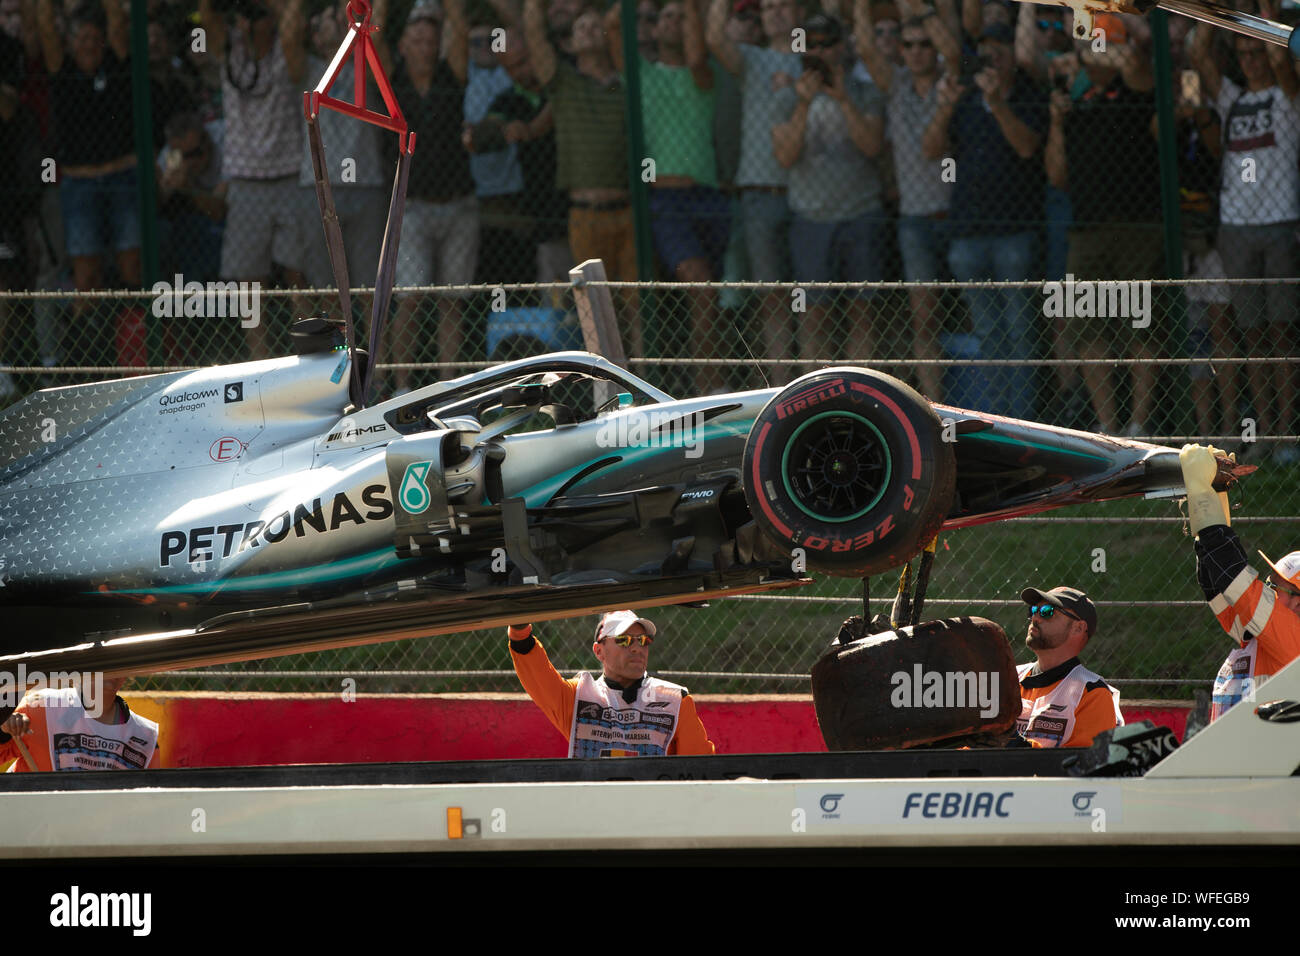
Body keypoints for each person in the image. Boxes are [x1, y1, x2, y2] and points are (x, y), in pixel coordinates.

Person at [1189, 7, 1298, 465]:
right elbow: (1197, 54)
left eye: (1259, 51)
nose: (1252, 59)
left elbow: (1282, 63)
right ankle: (1267, 432)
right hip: (1235, 227)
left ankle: (1290, 434)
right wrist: (1208, 12)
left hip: (1280, 223)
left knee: (1285, 333)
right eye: (1244, 51)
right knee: (1252, 334)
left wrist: (1267, 19)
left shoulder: (1287, 96)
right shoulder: (1230, 97)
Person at [923, 21, 1045, 421]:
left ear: (1014, 56)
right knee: (989, 336)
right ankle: (996, 423)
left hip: (1015, 232)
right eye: (986, 51)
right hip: (969, 234)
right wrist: (944, 107)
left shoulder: (1028, 94)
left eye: (1000, 50)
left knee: (1021, 334)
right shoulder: (962, 97)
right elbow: (932, 150)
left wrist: (997, 104)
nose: (992, 58)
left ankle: (1025, 425)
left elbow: (1027, 148)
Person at [1045, 21, 1161, 438]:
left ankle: (1140, 424)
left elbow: (1130, 58)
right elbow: (1057, 176)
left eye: (1095, 45)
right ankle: (1108, 425)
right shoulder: (1078, 104)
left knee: (1140, 324)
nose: (1089, 53)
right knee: (1087, 326)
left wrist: (1082, 51)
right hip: (1086, 228)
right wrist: (1057, 121)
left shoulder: (1135, 87)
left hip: (1137, 225)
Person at [375, 0, 480, 389]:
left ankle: (447, 384)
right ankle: (403, 386)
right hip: (411, 207)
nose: (423, 44)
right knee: (411, 297)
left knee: (452, 300)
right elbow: (377, 32)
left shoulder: (452, 74)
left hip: (458, 203)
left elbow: (457, 19)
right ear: (403, 45)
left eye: (429, 39)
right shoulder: (392, 80)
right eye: (415, 38)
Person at [772, 11, 885, 368]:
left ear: (842, 47)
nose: (820, 52)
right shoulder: (787, 96)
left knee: (863, 312)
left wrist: (842, 99)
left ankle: (860, 392)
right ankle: (815, 394)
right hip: (810, 218)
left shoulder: (865, 92)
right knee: (813, 315)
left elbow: (871, 146)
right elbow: (786, 157)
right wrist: (805, 102)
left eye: (828, 44)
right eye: (813, 45)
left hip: (860, 213)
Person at [199, 0, 310, 361]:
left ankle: (308, 355)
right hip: (245, 182)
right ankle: (259, 363)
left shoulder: (285, 51)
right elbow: (207, 15)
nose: (247, 20)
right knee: (249, 283)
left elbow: (293, 20)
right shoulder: (229, 52)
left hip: (289, 177)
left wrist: (272, 9)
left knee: (299, 275)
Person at [707, 0, 804, 384]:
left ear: (800, 13)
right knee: (773, 298)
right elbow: (714, 36)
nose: (776, 11)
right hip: (761, 195)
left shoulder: (816, 59)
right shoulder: (752, 59)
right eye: (768, 7)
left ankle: (822, 387)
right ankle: (782, 390)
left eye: (784, 5)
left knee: (817, 302)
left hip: (812, 197)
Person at [1178, 443, 1300, 721]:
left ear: (1298, 602)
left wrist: (1199, 487)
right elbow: (1216, 582)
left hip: (1264, 761)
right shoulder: (1260, 634)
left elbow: (1235, 579)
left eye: (1275, 587)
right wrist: (1213, 492)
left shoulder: (1294, 638)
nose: (1265, 590)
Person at [509, 609, 716, 756]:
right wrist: (520, 630)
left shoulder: (675, 700)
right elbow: (537, 674)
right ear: (599, 651)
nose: (636, 648)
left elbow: (700, 770)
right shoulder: (577, 697)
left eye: (643, 640)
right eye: (624, 640)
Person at [1015, 586, 1123, 747]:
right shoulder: (1010, 676)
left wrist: (1013, 744)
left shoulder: (1092, 693)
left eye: (1047, 611)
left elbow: (1079, 765)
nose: (1035, 618)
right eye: (1033, 610)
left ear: (1078, 628)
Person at [0, 675, 160, 772]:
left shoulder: (145, 738)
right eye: (99, 659)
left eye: (117, 659)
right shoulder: (41, 707)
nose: (109, 670)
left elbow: (151, 804)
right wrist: (4, 729)